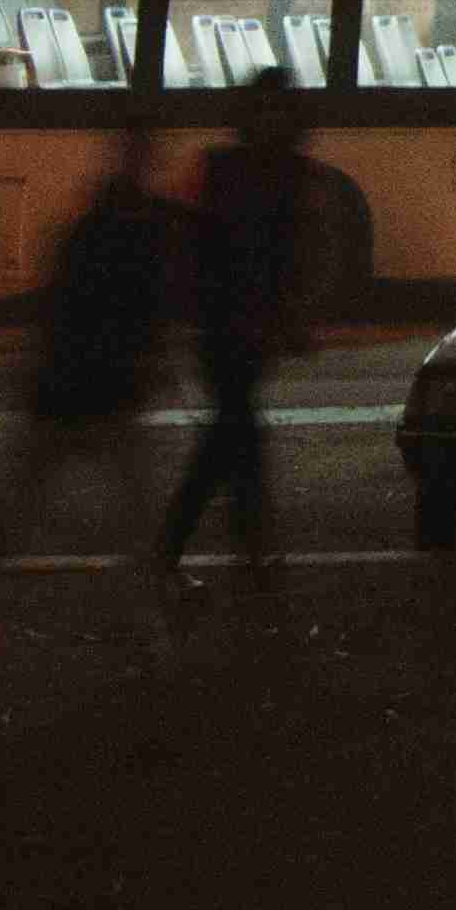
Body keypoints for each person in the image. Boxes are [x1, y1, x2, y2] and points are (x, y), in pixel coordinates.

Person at [0, 116, 178, 578]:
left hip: (65, 383)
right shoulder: (143, 228)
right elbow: (146, 306)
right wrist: (153, 358)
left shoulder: (89, 224)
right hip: (104, 386)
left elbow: (57, 303)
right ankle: (153, 591)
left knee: (27, 485)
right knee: (134, 499)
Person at [157, 72, 324, 589]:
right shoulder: (280, 170)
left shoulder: (227, 167)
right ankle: (223, 546)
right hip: (231, 325)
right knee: (236, 432)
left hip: (237, 326)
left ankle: (220, 546)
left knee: (233, 432)